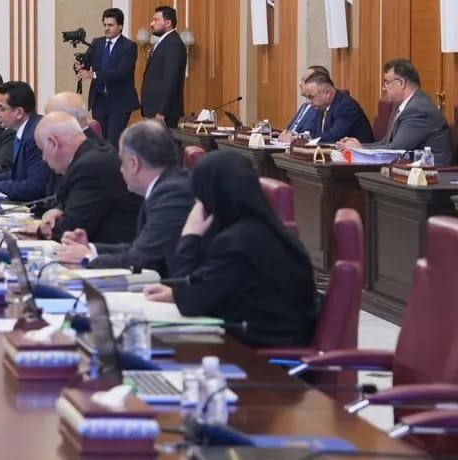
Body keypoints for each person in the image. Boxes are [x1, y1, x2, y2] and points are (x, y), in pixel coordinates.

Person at [143, 151, 317, 348]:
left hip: (258, 354)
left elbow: (190, 304)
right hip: (261, 337)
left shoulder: (239, 242)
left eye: (200, 199)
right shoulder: (262, 231)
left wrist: (190, 237)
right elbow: (208, 287)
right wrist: (178, 293)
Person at [54, 119, 192, 275]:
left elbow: (143, 258)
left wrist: (88, 258)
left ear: (134, 163)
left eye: (122, 161)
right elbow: (138, 247)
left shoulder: (172, 194)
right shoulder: (165, 187)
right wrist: (90, 249)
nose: (120, 169)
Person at [35, 113, 140, 243]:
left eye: (42, 150)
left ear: (53, 143)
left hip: (114, 250)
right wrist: (57, 210)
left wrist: (40, 228)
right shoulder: (92, 152)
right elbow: (71, 199)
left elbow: (71, 229)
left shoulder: (91, 166)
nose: (43, 158)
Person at [338, 58, 453, 164]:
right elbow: (386, 143)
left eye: (387, 83)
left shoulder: (418, 109)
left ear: (401, 83)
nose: (384, 88)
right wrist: (355, 146)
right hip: (409, 168)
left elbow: (396, 150)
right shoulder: (401, 106)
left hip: (434, 172)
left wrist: (360, 149)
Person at [0, 81, 52, 202]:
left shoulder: (35, 135)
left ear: (19, 112)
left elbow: (34, 187)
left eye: (0, 108)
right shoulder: (25, 130)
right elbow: (18, 175)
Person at [77, 8, 138, 143]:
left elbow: (122, 71)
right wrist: (79, 66)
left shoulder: (129, 46)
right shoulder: (96, 43)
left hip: (119, 102)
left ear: (120, 26)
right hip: (99, 101)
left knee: (113, 143)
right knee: (100, 141)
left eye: (110, 25)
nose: (106, 28)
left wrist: (93, 74)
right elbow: (85, 64)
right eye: (105, 25)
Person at [140, 5, 187, 127]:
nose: (151, 24)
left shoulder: (173, 44)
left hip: (163, 113)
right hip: (154, 110)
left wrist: (162, 112)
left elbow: (172, 80)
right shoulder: (165, 42)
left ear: (168, 23)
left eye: (156, 20)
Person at [303, 73, 373, 145]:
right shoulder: (321, 106)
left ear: (327, 93)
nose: (309, 102)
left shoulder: (346, 106)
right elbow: (317, 134)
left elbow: (332, 137)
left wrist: (307, 142)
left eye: (311, 97)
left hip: (359, 151)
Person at [276, 65, 330, 142]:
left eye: (304, 80)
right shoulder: (305, 105)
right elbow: (290, 130)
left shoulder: (320, 107)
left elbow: (318, 136)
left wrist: (295, 138)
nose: (300, 84)